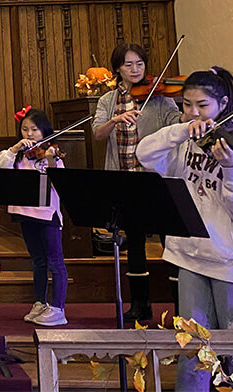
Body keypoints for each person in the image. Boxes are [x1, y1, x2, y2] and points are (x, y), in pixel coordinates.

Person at [136, 67, 233, 392]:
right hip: (191, 257)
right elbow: (144, 154)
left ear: (223, 103)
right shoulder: (186, 138)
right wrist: (181, 130)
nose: (193, 112)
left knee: (232, 360)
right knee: (192, 353)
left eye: (202, 105)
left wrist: (232, 169)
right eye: (187, 105)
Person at [91, 41, 180, 323]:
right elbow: (98, 134)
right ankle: (140, 306)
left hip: (156, 179)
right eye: (128, 65)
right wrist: (116, 119)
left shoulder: (159, 97)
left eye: (139, 64)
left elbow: (177, 122)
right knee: (135, 243)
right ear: (117, 68)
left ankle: (181, 307)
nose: (135, 69)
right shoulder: (108, 100)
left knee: (171, 242)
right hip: (124, 178)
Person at [0, 107, 68, 326]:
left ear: (44, 132)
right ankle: (40, 302)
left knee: (55, 261)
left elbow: (62, 184)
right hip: (25, 214)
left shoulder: (50, 153)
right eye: (25, 129)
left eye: (34, 129)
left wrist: (52, 161)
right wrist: (13, 149)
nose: (29, 134)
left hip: (48, 215)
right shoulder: (18, 155)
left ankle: (58, 308)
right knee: (37, 261)